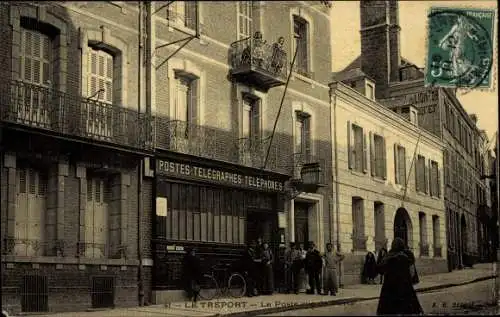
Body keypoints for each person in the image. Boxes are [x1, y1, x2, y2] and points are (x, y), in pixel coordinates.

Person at [376, 237, 424, 315]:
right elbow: (412, 272)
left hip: (389, 288)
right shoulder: (406, 256)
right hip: (405, 287)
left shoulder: (388, 256)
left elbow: (380, 270)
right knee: (407, 309)